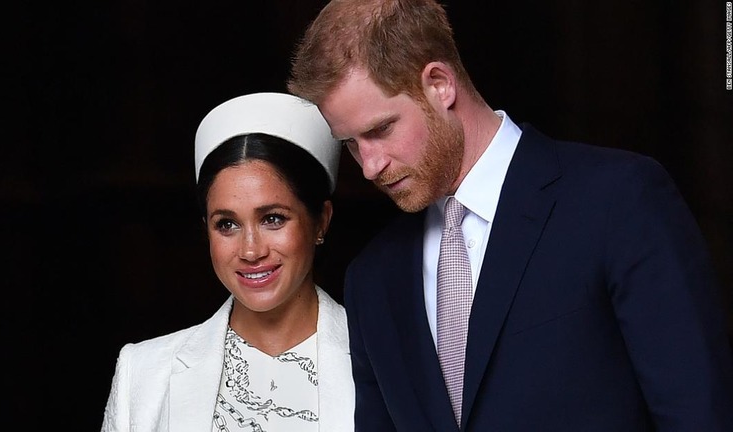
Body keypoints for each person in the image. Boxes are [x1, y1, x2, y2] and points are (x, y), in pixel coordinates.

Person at [286, 0, 733, 430]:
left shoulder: (618, 201)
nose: (368, 166)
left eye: (380, 129)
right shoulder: (372, 280)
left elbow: (698, 414)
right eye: (350, 143)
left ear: (440, 84)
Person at [100, 92, 354, 431]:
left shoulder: (383, 362)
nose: (251, 251)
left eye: (273, 219)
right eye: (227, 224)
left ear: (321, 220)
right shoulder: (144, 372)